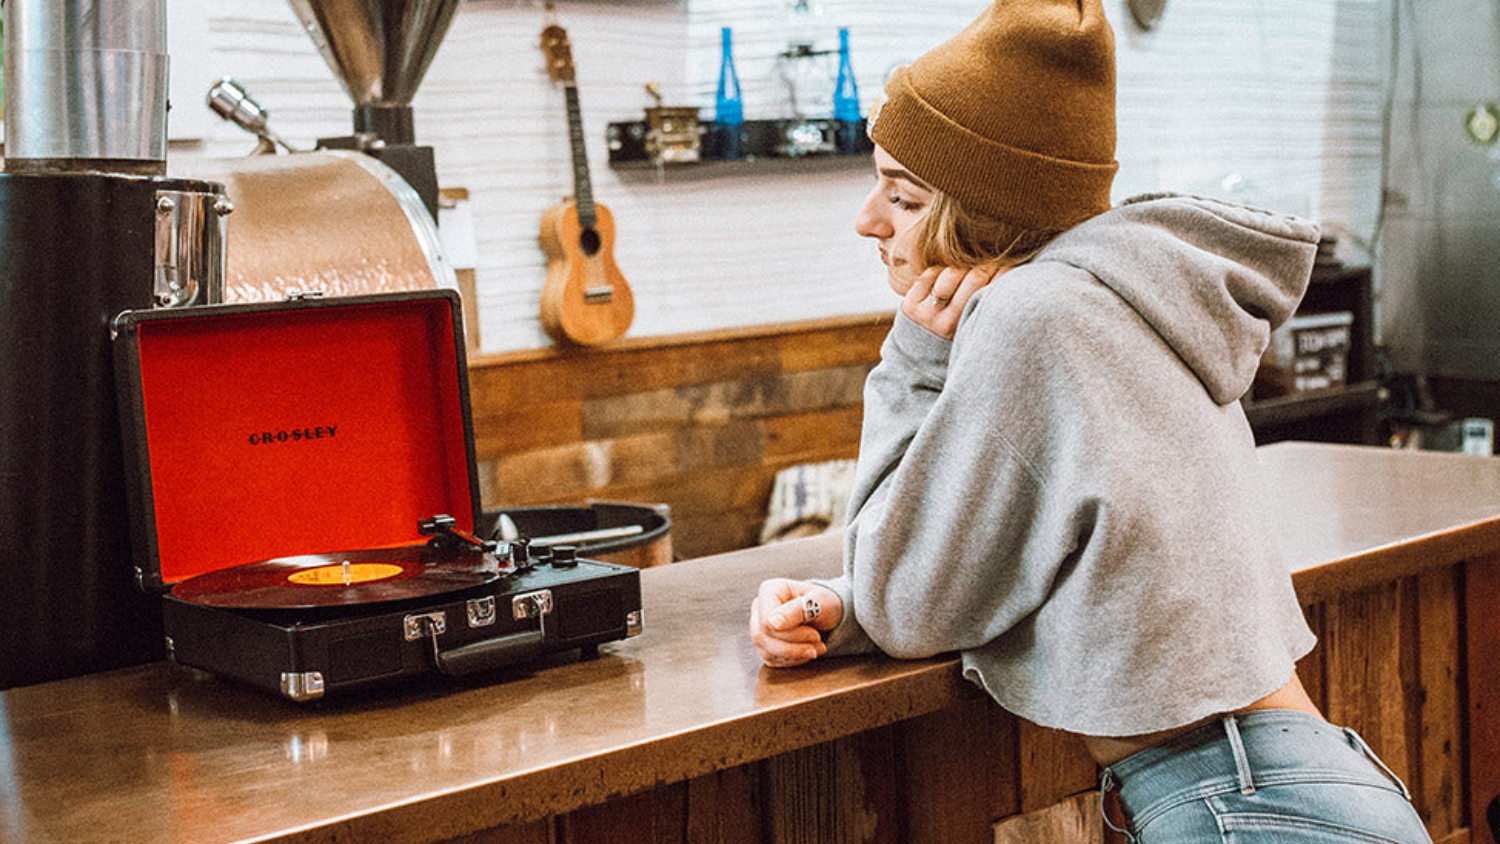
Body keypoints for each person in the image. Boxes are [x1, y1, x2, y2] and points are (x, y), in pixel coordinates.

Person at [746, 1, 1434, 842]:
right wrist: (837, 607)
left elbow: (907, 603)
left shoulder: (1033, 317)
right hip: (1297, 781)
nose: (868, 220)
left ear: (983, 210)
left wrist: (915, 361)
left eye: (903, 195)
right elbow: (1002, 560)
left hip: (1243, 805)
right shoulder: (1122, 292)